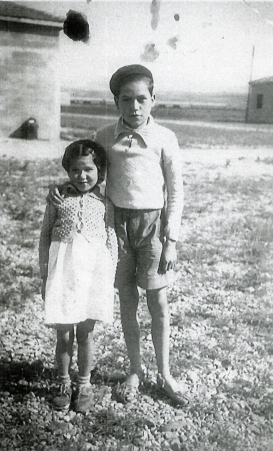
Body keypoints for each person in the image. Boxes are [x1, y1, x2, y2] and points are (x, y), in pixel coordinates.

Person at [49, 64, 187, 406]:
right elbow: (88, 172)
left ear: (153, 99)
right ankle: (135, 370)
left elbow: (177, 192)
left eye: (142, 99)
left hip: (152, 228)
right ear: (116, 102)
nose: (135, 107)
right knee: (127, 300)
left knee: (158, 302)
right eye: (127, 100)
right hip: (115, 228)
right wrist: (63, 189)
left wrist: (171, 241)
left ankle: (165, 373)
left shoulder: (165, 138)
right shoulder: (104, 134)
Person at [39, 139, 118, 412]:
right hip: (63, 272)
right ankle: (62, 382)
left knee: (85, 334)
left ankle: (83, 383)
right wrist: (43, 276)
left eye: (88, 170)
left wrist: (109, 282)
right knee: (63, 334)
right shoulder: (59, 199)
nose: (82, 176)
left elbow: (112, 243)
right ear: (67, 171)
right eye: (75, 170)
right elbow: (45, 238)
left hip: (92, 275)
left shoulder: (105, 203)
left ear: (100, 172)